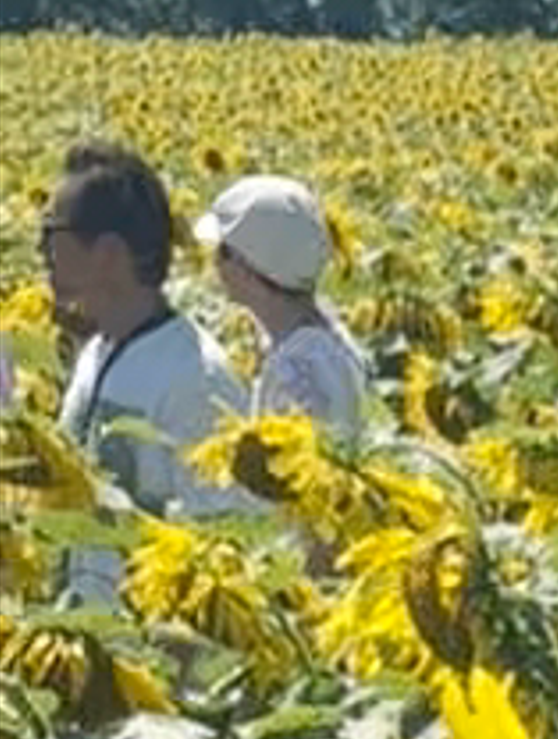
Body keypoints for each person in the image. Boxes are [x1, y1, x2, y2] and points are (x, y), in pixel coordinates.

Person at [41, 137, 227, 525]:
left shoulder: (196, 380)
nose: (44, 259)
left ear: (108, 253)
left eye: (52, 238)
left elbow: (224, 531)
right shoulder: (97, 351)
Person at [201, 173, 374, 438]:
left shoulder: (297, 374)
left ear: (252, 267)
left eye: (224, 252)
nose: (215, 262)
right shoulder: (321, 339)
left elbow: (295, 470)